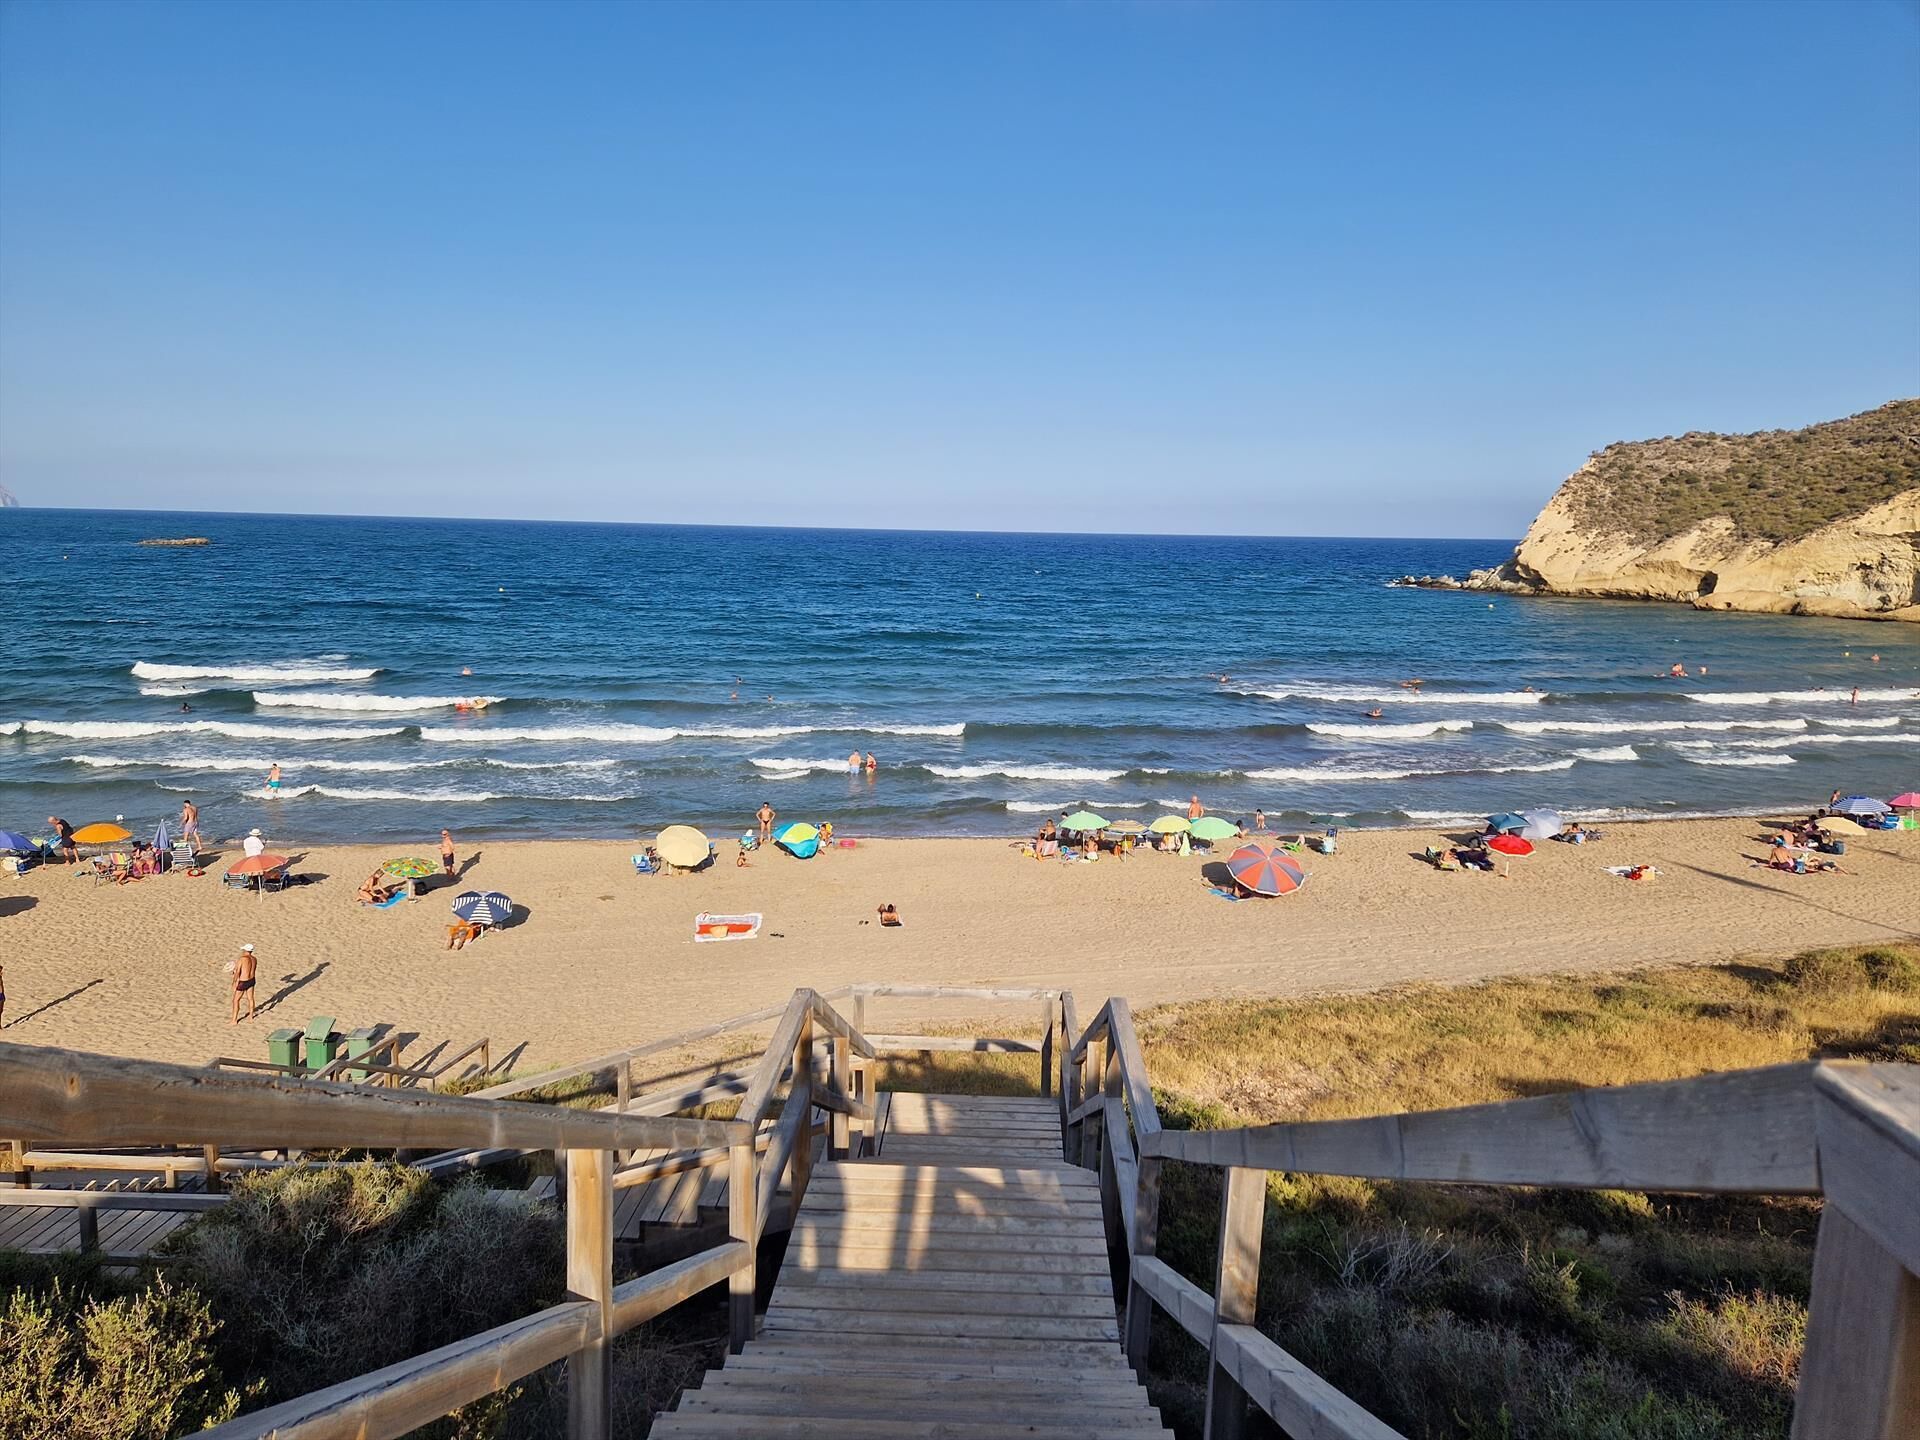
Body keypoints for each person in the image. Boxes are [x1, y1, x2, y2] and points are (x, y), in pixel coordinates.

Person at [231, 944, 258, 1024]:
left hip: (243, 981)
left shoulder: (242, 959)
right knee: (250, 998)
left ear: (245, 950)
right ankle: (250, 1017)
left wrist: (234, 982)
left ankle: (234, 1020)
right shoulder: (254, 959)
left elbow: (238, 972)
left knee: (236, 1000)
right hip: (252, 980)